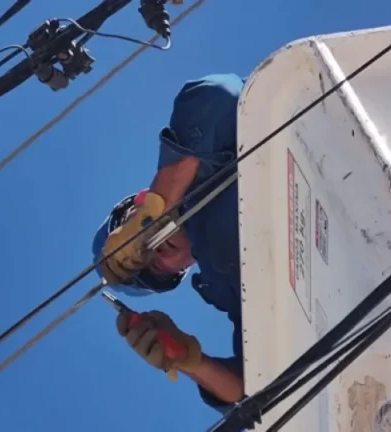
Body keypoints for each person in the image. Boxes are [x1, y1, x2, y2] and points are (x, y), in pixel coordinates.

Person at [91, 73, 245, 413]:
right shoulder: (232, 294)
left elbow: (220, 95)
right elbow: (258, 389)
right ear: (177, 273)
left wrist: (156, 206)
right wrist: (188, 359)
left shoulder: (212, 164)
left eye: (133, 242)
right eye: (151, 271)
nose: (150, 252)